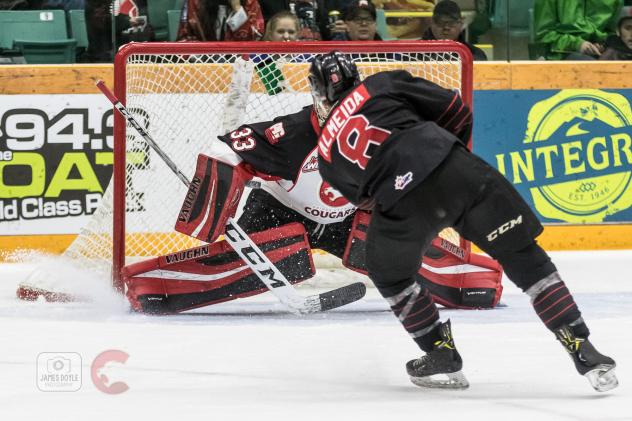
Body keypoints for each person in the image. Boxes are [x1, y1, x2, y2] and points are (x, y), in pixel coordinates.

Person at [308, 51, 618, 391]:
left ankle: (439, 351)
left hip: (402, 203)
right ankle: (581, 347)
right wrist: (447, 155)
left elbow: (365, 200)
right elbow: (455, 110)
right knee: (523, 257)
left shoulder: (325, 154)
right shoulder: (381, 83)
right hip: (455, 169)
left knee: (389, 273)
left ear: (319, 92)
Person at [125, 105, 502, 314]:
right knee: (264, 258)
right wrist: (212, 210)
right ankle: (151, 284)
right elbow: (224, 149)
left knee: (390, 247)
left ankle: (473, 279)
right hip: (279, 211)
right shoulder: (291, 134)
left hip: (347, 219)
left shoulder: (377, 133)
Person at [534, 0, 622, 60]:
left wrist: (603, 44)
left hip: (601, 53)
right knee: (592, 69)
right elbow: (543, 36)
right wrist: (576, 44)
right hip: (561, 55)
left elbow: (612, 32)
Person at [422, 0, 487, 61]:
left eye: (452, 23)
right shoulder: (414, 53)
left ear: (461, 24)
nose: (446, 27)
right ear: (431, 22)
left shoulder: (476, 55)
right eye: (440, 22)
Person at [177, 0, 264, 41]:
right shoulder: (195, 2)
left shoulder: (250, 3)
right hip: (202, 64)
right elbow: (184, 37)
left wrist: (238, 10)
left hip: (239, 64)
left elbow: (255, 38)